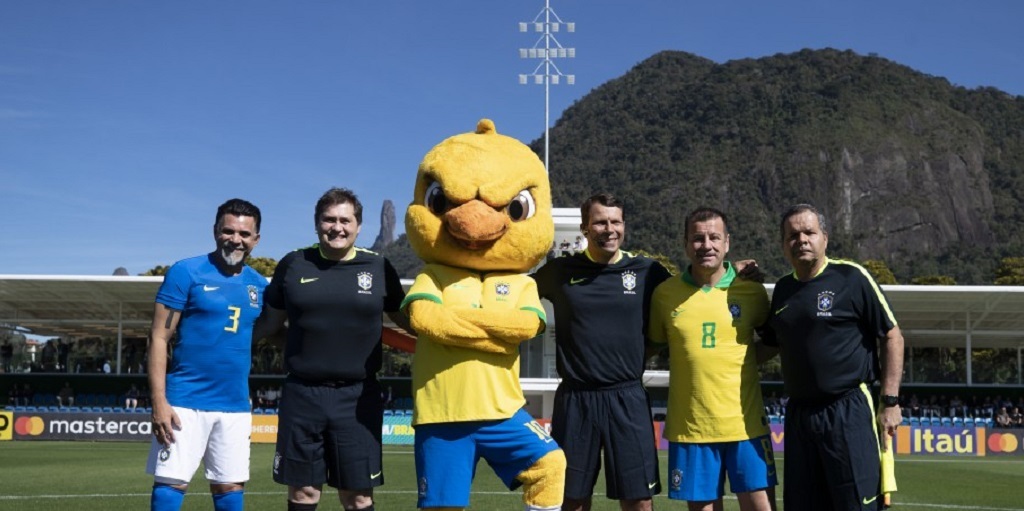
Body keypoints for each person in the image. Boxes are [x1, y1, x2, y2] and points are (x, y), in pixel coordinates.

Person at [254, 187, 410, 511]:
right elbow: (268, 327)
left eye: (345, 220)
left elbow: (406, 320)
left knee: (358, 497)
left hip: (358, 397)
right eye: (329, 220)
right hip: (302, 395)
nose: (337, 227)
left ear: (358, 226)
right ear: (316, 224)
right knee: (303, 493)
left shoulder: (378, 267)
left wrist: (450, 337)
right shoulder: (294, 264)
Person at [531, 193, 669, 511]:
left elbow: (688, 296)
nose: (609, 228)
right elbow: (515, 290)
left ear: (624, 225)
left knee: (639, 500)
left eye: (615, 221)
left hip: (628, 397)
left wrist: (736, 274)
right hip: (576, 399)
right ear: (585, 228)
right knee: (572, 498)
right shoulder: (559, 271)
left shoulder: (649, 272)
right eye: (600, 222)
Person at [761, 204, 904, 511]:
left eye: (809, 232)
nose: (801, 240)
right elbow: (770, 344)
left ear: (824, 237)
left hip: (847, 410)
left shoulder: (851, 277)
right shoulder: (784, 289)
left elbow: (892, 335)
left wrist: (890, 401)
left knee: (855, 504)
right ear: (782, 244)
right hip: (799, 415)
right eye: (793, 235)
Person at [648, 207, 777, 511]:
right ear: (685, 243)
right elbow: (649, 346)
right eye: (698, 238)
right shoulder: (665, 295)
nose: (706, 245)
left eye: (714, 237)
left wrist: (743, 360)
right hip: (691, 427)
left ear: (727, 243)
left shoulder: (750, 289)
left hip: (746, 426)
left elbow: (773, 341)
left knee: (762, 507)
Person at [145, 198, 267, 511]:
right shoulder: (186, 272)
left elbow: (274, 333)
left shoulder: (259, 285)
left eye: (244, 234)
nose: (235, 239)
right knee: (171, 484)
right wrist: (159, 401)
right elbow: (159, 336)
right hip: (183, 402)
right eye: (228, 231)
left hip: (235, 405)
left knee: (230, 488)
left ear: (255, 239)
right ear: (215, 231)